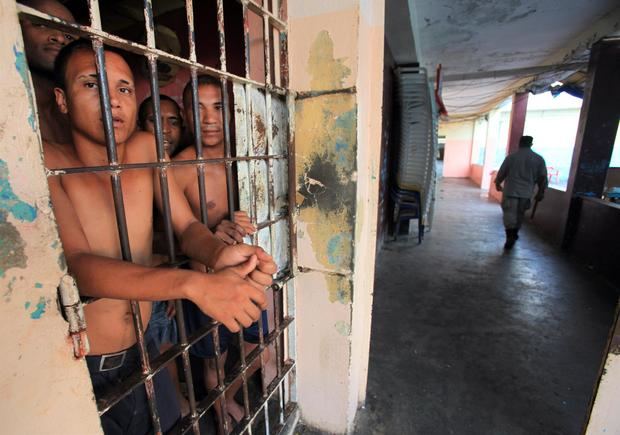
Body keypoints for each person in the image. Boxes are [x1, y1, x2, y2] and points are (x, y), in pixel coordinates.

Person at [45, 39, 276, 434]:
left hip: (144, 352)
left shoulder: (146, 148)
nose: (113, 100)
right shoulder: (50, 162)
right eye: (90, 84)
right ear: (62, 100)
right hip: (82, 366)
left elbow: (186, 227)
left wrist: (220, 256)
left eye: (123, 88)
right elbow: (80, 268)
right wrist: (193, 284)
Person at [173, 75, 270, 427]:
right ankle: (220, 410)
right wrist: (212, 235)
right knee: (214, 358)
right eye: (197, 108)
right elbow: (173, 234)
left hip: (248, 273)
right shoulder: (179, 169)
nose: (209, 118)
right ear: (185, 114)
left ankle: (225, 397)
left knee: (257, 346)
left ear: (232, 113)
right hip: (205, 281)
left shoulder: (244, 159)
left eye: (218, 107)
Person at [19, 0, 75, 145]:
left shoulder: (77, 113)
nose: (60, 37)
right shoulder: (9, 105)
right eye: (41, 24)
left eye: (69, 36)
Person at [495, 135, 548, 250]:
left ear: (519, 143)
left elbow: (502, 172)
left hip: (510, 191)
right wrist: (541, 191)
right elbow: (543, 177)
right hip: (526, 193)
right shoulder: (538, 159)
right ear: (531, 144)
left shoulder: (511, 157)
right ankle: (514, 234)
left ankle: (510, 236)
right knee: (519, 215)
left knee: (509, 214)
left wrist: (498, 183)